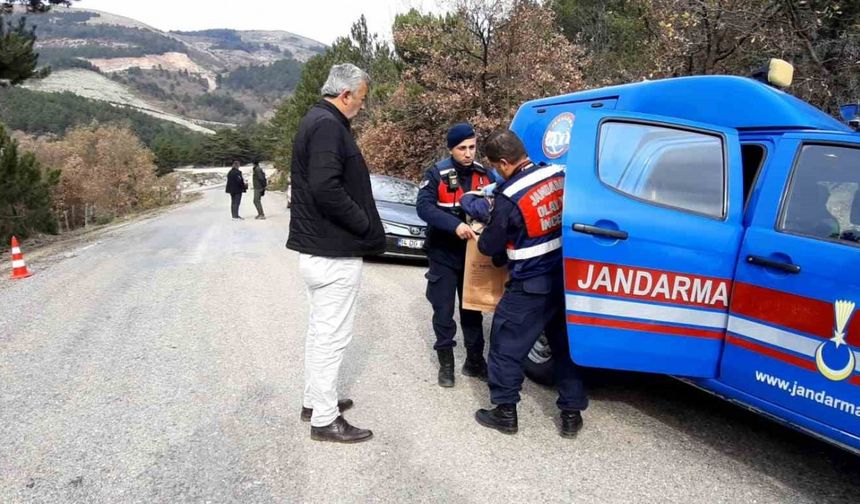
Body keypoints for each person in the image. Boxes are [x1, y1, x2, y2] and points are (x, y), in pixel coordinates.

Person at [286, 63, 385, 444]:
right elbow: (327, 188)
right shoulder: (328, 126)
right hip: (332, 252)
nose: (361, 106)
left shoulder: (318, 121)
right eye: (360, 99)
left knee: (319, 332)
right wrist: (365, 225)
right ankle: (325, 420)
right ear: (345, 95)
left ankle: (315, 401)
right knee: (332, 336)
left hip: (319, 251)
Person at [469, 129, 587, 438]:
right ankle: (572, 413)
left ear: (505, 163)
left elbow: (489, 247)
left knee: (506, 346)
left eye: (496, 167)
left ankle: (505, 412)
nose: (496, 172)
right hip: (564, 281)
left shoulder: (508, 198)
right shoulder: (556, 178)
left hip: (530, 286)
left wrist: (483, 219)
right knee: (564, 348)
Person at [416, 123, 497, 388]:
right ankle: (446, 364)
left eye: (472, 147)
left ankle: (474, 361)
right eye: (462, 148)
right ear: (451, 149)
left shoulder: (486, 176)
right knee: (443, 310)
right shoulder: (437, 173)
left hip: (472, 255)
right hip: (443, 252)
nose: (468, 153)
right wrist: (455, 225)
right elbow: (424, 208)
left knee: (472, 310)